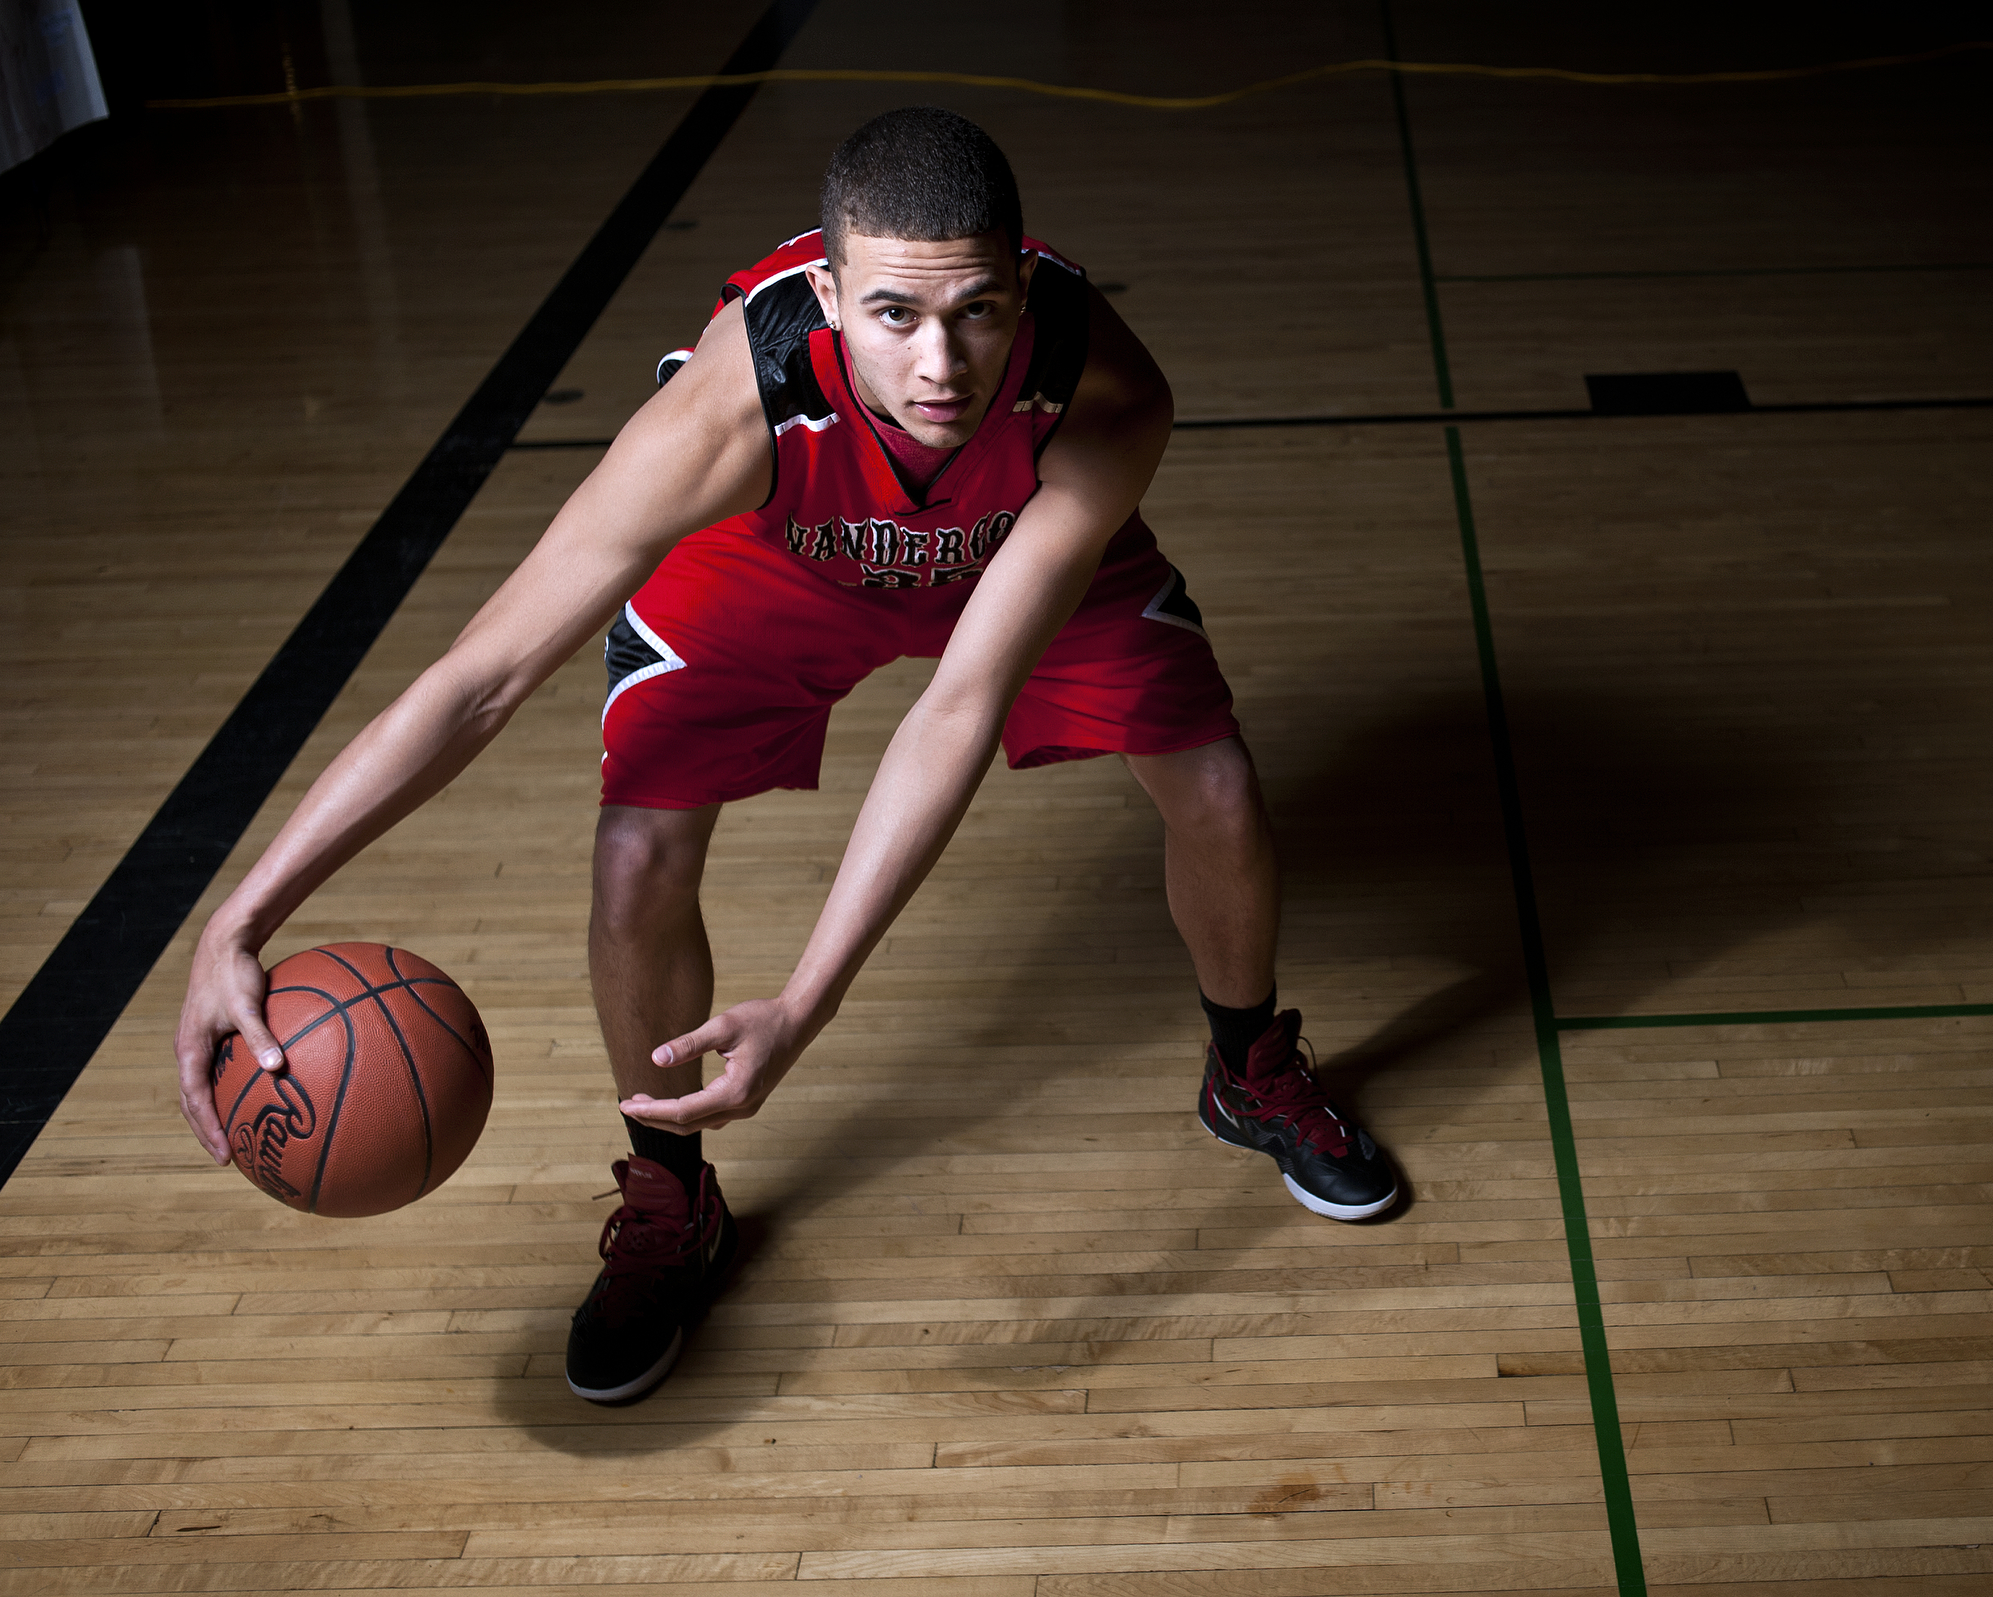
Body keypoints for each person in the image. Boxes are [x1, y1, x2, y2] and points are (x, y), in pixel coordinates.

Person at [173, 107, 1399, 1405]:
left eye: (978, 311)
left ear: (1021, 286)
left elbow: (957, 707)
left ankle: (1248, 1065)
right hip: (777, 554)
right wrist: (241, 913)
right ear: (824, 292)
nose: (941, 362)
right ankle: (670, 1187)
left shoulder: (1105, 389)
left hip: (1007, 535)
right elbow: (478, 682)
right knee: (638, 853)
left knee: (1213, 782)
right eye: (892, 315)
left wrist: (807, 997)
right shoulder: (727, 410)